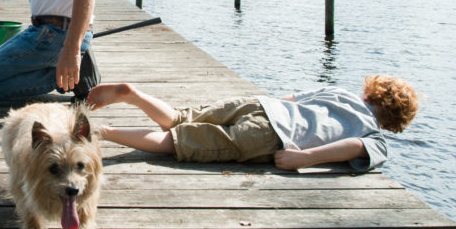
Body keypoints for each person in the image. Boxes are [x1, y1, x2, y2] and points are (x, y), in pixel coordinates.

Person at [86, 75, 418, 172]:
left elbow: (291, 99)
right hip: (270, 135)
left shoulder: (339, 91)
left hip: (261, 106)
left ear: (372, 92)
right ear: (393, 121)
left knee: (178, 118)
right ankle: (102, 132)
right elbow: (355, 146)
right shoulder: (374, 134)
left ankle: (134, 94)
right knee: (176, 142)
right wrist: (305, 158)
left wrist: (260, 108)